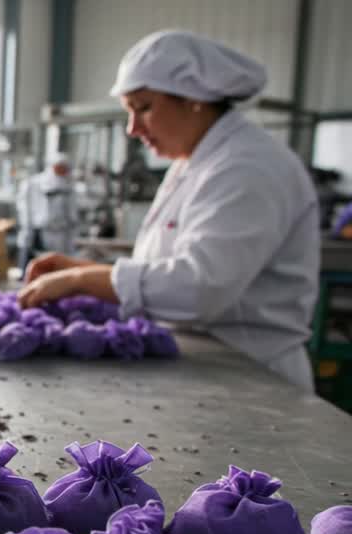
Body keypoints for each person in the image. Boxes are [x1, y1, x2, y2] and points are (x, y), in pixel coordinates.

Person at [18, 30, 320, 390]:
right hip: (207, 366)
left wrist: (81, 281)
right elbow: (169, 268)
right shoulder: (194, 162)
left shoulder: (248, 167)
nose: (133, 129)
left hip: (254, 376)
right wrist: (86, 270)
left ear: (194, 99)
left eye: (144, 108)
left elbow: (199, 289)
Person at [16, 151, 78, 272]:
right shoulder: (33, 184)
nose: (62, 171)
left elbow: (72, 212)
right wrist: (29, 229)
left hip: (62, 233)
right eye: (60, 168)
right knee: (36, 265)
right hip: (40, 231)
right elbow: (26, 209)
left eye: (65, 168)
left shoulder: (69, 187)